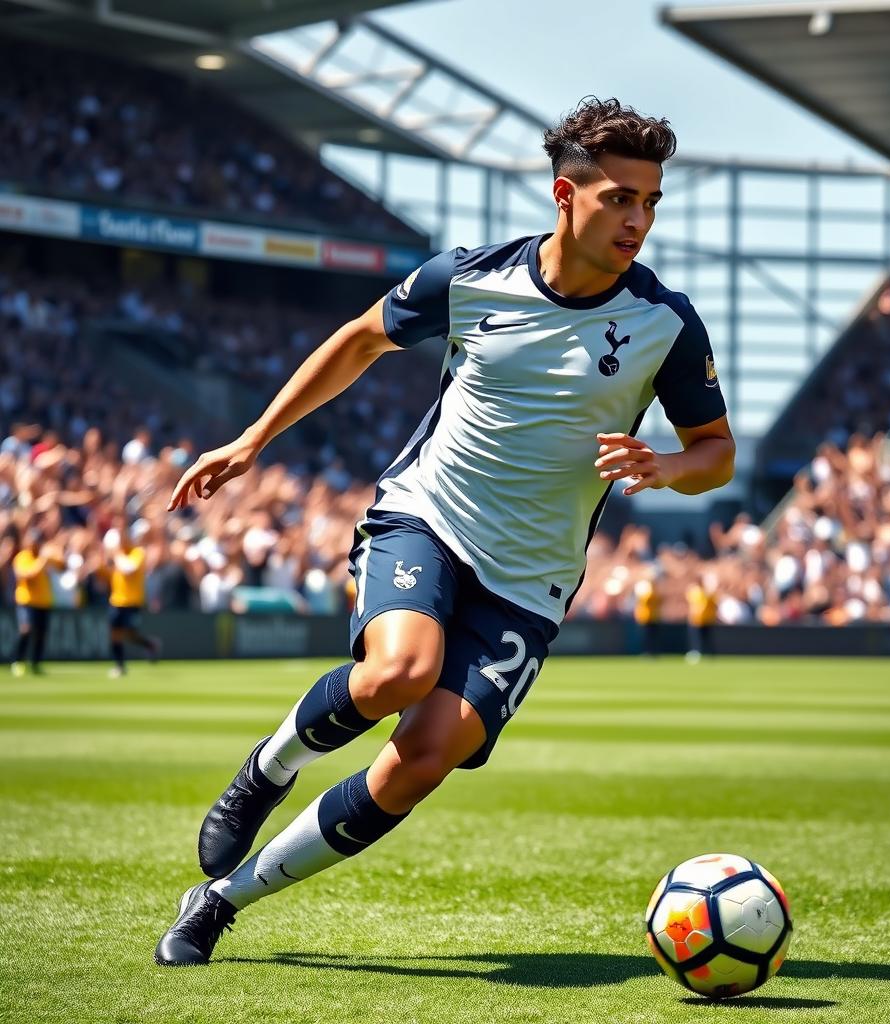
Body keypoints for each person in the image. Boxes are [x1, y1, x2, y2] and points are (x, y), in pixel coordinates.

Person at [154, 97, 736, 966]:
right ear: (564, 196)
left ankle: (222, 901)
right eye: (620, 198)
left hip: (531, 580)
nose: (638, 220)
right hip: (427, 515)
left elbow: (717, 452)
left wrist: (668, 466)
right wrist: (252, 440)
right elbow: (357, 343)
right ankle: (267, 768)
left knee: (422, 758)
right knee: (398, 671)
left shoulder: (666, 324)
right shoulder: (468, 278)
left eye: (650, 202)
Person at [102, 532, 160, 678]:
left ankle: (149, 644)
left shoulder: (137, 553)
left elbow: (129, 569)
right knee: (115, 634)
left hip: (132, 602)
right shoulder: (116, 556)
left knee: (129, 634)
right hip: (116, 600)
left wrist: (115, 554)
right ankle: (120, 666)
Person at [10, 530, 62, 676]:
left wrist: (56, 551)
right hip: (27, 601)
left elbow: (62, 566)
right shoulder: (23, 557)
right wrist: (43, 561)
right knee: (26, 629)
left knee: (41, 634)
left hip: (43, 602)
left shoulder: (45, 557)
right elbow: (27, 575)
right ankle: (17, 661)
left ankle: (36, 663)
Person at [686, 573, 718, 663]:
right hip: (696, 619)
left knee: (707, 638)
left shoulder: (705, 591)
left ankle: (708, 653)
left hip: (706, 619)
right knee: (696, 638)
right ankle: (696, 652)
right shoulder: (695, 591)